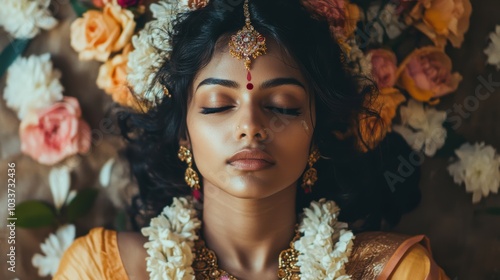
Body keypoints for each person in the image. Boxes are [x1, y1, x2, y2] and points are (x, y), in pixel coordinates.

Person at [55, 0, 449, 279]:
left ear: (317, 132)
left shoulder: (396, 272)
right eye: (216, 105)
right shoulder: (101, 270)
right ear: (183, 134)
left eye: (283, 106)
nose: (251, 126)